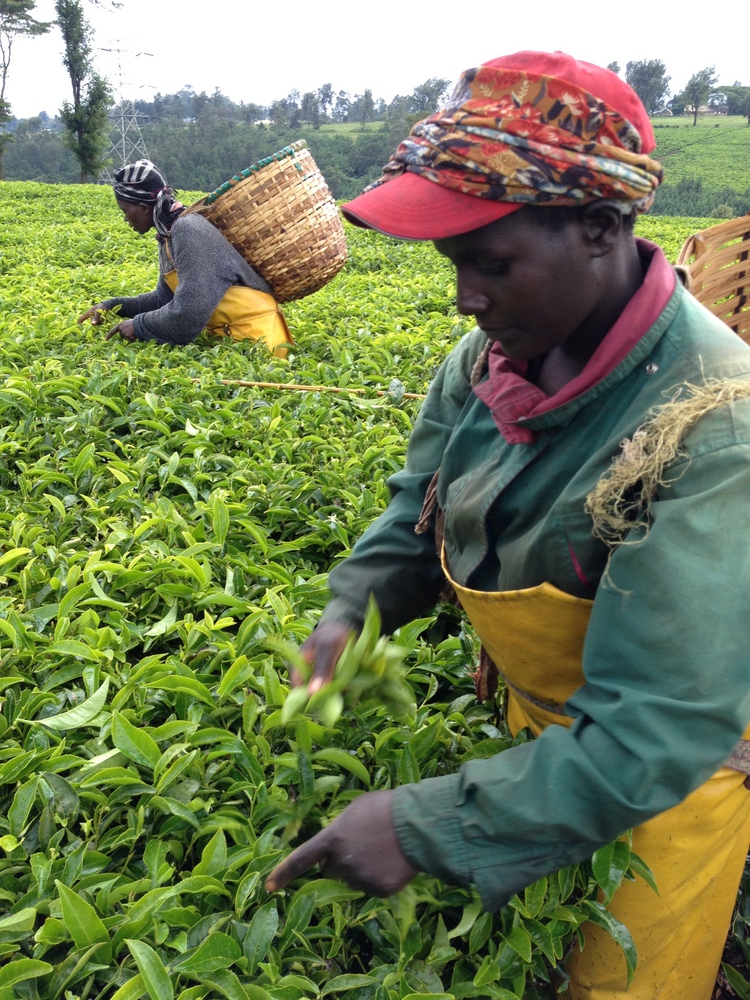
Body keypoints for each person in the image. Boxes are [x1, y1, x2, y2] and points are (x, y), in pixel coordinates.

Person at [265, 50, 750, 999]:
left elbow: (654, 730)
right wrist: (350, 613)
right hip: (537, 732)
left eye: (490, 262)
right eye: (455, 264)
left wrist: (423, 825)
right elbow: (421, 508)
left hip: (663, 771)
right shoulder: (492, 356)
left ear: (603, 228)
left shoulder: (713, 426)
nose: (465, 298)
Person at [77, 159, 293, 356]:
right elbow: (164, 299)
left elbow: (189, 313)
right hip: (232, 344)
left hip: (260, 345)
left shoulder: (188, 230)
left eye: (125, 210)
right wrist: (112, 305)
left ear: (143, 208)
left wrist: (138, 325)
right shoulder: (168, 233)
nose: (125, 218)